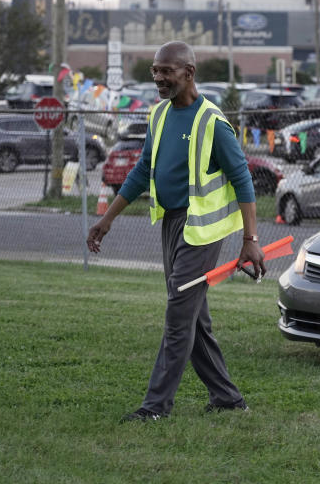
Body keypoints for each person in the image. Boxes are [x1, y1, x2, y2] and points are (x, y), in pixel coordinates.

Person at [87, 40, 266, 423]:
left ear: (189, 72)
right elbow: (140, 172)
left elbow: (243, 181)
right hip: (172, 225)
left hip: (202, 231)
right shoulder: (159, 115)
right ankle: (227, 398)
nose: (158, 78)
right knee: (193, 317)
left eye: (166, 71)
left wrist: (250, 240)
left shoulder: (213, 123)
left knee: (177, 317)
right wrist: (108, 219)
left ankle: (155, 407)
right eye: (155, 70)